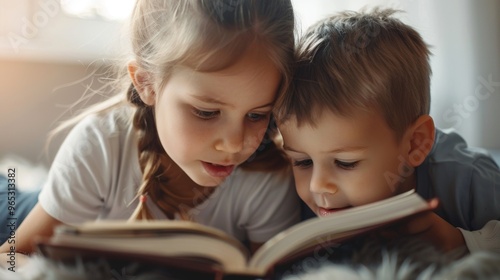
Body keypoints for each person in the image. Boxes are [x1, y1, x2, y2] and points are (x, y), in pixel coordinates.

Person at [0, 0, 301, 259]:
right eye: (206, 112)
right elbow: (12, 258)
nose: (235, 144)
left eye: (257, 115)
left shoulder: (267, 180)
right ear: (146, 83)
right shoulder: (101, 146)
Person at [274, 8, 500, 253]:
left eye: (345, 162)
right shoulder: (295, 198)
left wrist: (460, 241)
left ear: (415, 144)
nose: (317, 186)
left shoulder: (466, 179)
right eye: (303, 162)